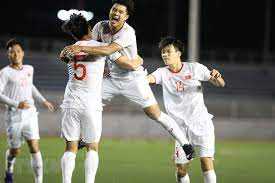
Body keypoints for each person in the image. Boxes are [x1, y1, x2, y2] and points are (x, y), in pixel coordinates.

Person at [62, 0, 194, 158]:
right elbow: (95, 49)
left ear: (126, 16)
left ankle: (185, 144)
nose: (116, 13)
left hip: (133, 79)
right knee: (90, 101)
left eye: (120, 12)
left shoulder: (127, 32)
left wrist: (80, 48)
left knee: (155, 113)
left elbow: (108, 50)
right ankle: (84, 137)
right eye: (114, 9)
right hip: (111, 78)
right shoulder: (99, 27)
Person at [59, 13, 143, 183]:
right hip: (90, 103)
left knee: (70, 148)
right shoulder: (100, 46)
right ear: (90, 28)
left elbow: (65, 59)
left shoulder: (69, 49)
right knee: (92, 147)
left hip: (70, 102)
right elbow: (127, 64)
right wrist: (138, 61)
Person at [147, 36, 225, 183]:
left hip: (201, 123)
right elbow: (149, 79)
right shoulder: (162, 72)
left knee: (206, 162)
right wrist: (139, 78)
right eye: (163, 52)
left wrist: (217, 77)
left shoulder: (194, 68)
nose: (165, 55)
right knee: (181, 170)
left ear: (178, 53)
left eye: (168, 51)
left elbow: (220, 83)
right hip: (179, 129)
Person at [0, 38, 55, 183]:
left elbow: (31, 87)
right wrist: (16, 104)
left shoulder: (29, 69)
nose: (15, 54)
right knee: (15, 151)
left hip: (30, 114)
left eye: (18, 51)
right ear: (8, 55)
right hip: (14, 117)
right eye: (12, 52)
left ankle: (39, 181)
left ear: (22, 53)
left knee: (34, 146)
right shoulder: (5, 73)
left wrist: (43, 101)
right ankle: (9, 170)